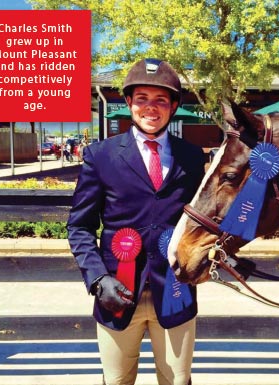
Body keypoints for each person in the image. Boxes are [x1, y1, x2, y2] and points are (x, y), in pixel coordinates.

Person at [67, 58, 206, 385]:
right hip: (117, 292)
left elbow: (204, 220)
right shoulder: (99, 155)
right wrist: (99, 279)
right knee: (116, 381)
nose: (150, 108)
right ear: (128, 102)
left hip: (175, 291)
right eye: (142, 98)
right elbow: (80, 227)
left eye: (160, 100)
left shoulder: (192, 157)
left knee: (177, 380)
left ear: (172, 106)